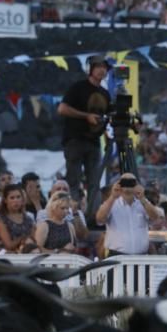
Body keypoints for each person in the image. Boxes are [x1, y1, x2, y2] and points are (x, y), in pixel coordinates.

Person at [58, 55, 112, 221]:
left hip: (94, 142)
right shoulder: (78, 87)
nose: (102, 70)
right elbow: (62, 109)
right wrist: (85, 116)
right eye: (98, 67)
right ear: (91, 69)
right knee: (73, 180)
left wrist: (107, 136)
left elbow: (104, 118)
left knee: (94, 181)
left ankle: (92, 217)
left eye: (104, 67)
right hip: (74, 139)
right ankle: (72, 216)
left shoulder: (105, 93)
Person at [95, 174, 162, 256]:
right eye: (124, 183)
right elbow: (99, 220)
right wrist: (112, 196)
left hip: (140, 257)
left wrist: (142, 198)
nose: (127, 187)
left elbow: (155, 218)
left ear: (137, 185)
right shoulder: (112, 203)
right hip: (116, 255)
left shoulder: (143, 203)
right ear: (119, 184)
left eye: (131, 183)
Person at [0, 184, 36, 253]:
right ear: (5, 200)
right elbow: (8, 245)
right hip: (7, 255)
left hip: (26, 253)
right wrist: (23, 238)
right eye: (12, 198)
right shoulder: (1, 219)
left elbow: (34, 240)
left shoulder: (28, 219)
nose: (16, 200)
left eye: (18, 197)